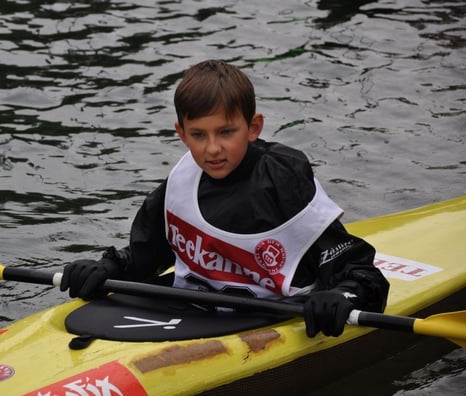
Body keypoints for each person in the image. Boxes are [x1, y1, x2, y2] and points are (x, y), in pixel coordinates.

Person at [60, 59, 389, 338]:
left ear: (253, 127)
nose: (212, 149)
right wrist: (105, 269)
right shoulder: (182, 179)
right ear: (181, 133)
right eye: (198, 135)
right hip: (191, 312)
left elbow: (360, 271)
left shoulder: (281, 179)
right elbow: (146, 257)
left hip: (272, 316)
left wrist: (343, 294)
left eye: (226, 132)